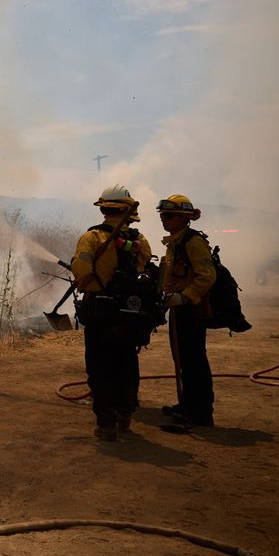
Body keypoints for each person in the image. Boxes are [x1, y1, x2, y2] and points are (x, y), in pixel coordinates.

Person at [70, 185, 153, 442]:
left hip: (101, 311)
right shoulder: (141, 241)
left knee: (99, 367)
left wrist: (89, 280)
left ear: (104, 208)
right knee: (126, 363)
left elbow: (82, 270)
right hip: (131, 313)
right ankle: (125, 416)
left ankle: (107, 425)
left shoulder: (92, 237)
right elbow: (145, 268)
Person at [157, 194, 217, 427]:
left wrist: (184, 297)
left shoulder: (193, 242)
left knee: (194, 360)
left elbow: (208, 276)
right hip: (179, 308)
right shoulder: (175, 241)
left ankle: (201, 412)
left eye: (169, 216)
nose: (164, 220)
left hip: (192, 308)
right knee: (183, 359)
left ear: (184, 218)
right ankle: (188, 404)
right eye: (162, 216)